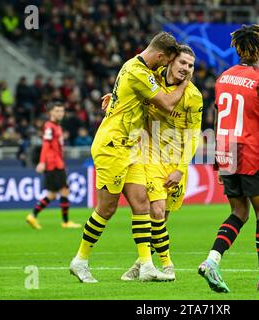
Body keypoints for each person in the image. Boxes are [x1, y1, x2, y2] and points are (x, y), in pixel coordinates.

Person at [69, 32, 189, 283]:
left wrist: (114, 98)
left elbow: (130, 95)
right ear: (159, 55)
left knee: (141, 204)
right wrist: (185, 84)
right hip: (112, 146)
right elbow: (167, 103)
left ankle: (146, 266)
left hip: (131, 147)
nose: (165, 67)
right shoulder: (138, 72)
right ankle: (80, 261)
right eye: (166, 62)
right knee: (107, 208)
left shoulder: (134, 65)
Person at [198, 24, 259, 293]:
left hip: (227, 151)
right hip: (251, 152)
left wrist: (218, 157)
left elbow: (216, 120)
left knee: (239, 211)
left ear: (237, 48)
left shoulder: (223, 77)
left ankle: (212, 260)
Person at [116, 45, 203, 281]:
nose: (186, 68)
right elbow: (130, 86)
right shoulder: (152, 80)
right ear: (171, 62)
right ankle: (167, 266)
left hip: (175, 161)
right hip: (150, 155)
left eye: (190, 66)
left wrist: (180, 169)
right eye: (183, 63)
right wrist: (114, 97)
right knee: (155, 210)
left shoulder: (193, 96)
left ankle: (142, 264)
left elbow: (194, 136)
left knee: (162, 218)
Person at [26, 103, 81, 230]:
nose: (60, 113)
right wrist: (42, 162)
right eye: (57, 111)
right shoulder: (49, 126)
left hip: (57, 163)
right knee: (64, 190)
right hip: (53, 164)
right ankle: (65, 222)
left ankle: (32, 216)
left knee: (52, 194)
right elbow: (46, 144)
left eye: (62, 111)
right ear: (50, 112)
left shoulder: (57, 126)